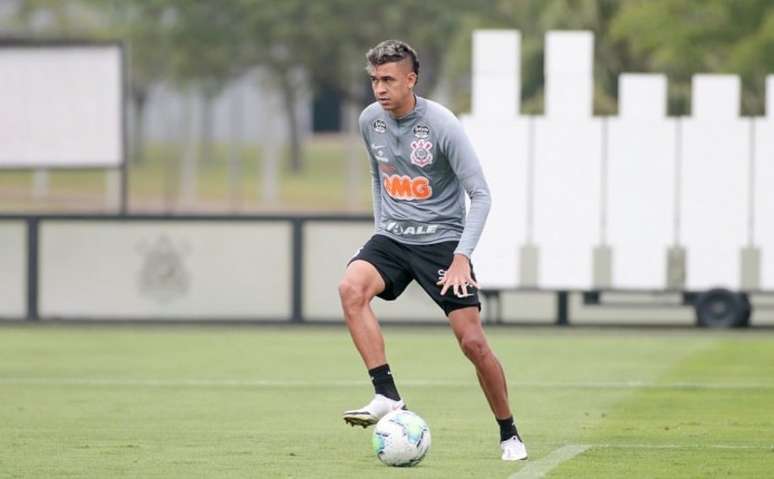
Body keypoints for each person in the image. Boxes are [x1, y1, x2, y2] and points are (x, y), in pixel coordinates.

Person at [338, 39, 527, 461]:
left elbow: (480, 195)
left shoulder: (442, 125)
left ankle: (509, 432)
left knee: (473, 344)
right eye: (374, 80)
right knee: (351, 289)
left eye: (388, 80)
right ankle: (385, 393)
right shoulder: (370, 120)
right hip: (393, 237)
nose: (380, 89)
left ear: (411, 80)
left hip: (442, 243)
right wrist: (381, 229)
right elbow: (379, 175)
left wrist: (462, 257)